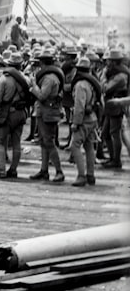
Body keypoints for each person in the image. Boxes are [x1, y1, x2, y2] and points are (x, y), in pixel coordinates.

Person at [0, 52, 30, 178]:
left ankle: (0, 169)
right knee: (16, 141)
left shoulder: (4, 79)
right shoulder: (26, 79)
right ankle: (13, 169)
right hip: (21, 113)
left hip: (7, 113)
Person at [28, 47, 65, 182]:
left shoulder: (49, 78)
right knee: (44, 141)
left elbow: (42, 96)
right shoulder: (53, 75)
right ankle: (44, 170)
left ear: (43, 63)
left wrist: (33, 87)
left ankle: (59, 171)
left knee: (48, 141)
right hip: (45, 111)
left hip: (48, 112)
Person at [69, 55, 102, 186]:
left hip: (83, 120)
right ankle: (90, 175)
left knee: (75, 146)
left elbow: (79, 106)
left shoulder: (80, 85)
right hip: (92, 117)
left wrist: (75, 123)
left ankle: (81, 175)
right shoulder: (92, 82)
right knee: (89, 147)